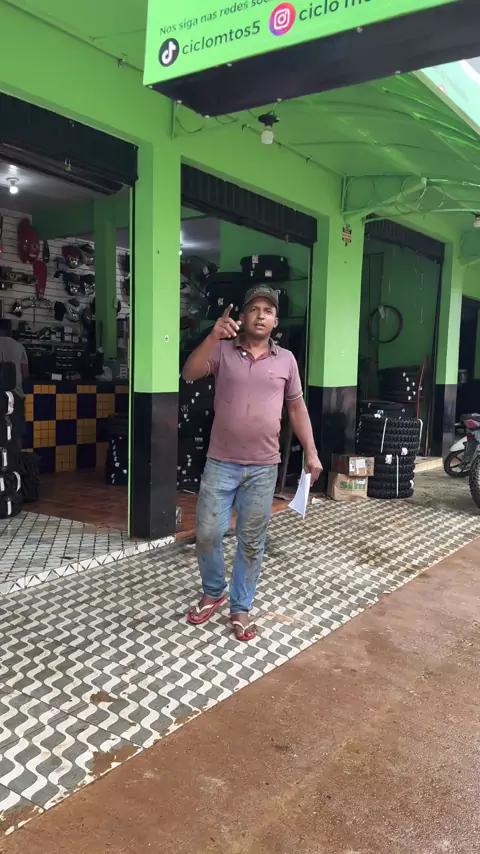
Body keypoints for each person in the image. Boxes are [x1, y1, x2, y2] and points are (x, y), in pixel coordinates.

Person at [183, 285, 322, 642]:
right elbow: (189, 373)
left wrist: (311, 452)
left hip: (263, 467)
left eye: (268, 311)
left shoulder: (286, 360)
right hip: (221, 462)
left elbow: (296, 408)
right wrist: (212, 336)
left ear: (275, 321)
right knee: (207, 533)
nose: (261, 315)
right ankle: (214, 590)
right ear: (243, 316)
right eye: (255, 309)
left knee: (250, 540)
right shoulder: (223, 350)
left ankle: (240, 606)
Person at [0, 319, 28, 448]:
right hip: (16, 395)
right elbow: (25, 373)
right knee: (17, 433)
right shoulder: (19, 346)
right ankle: (16, 458)